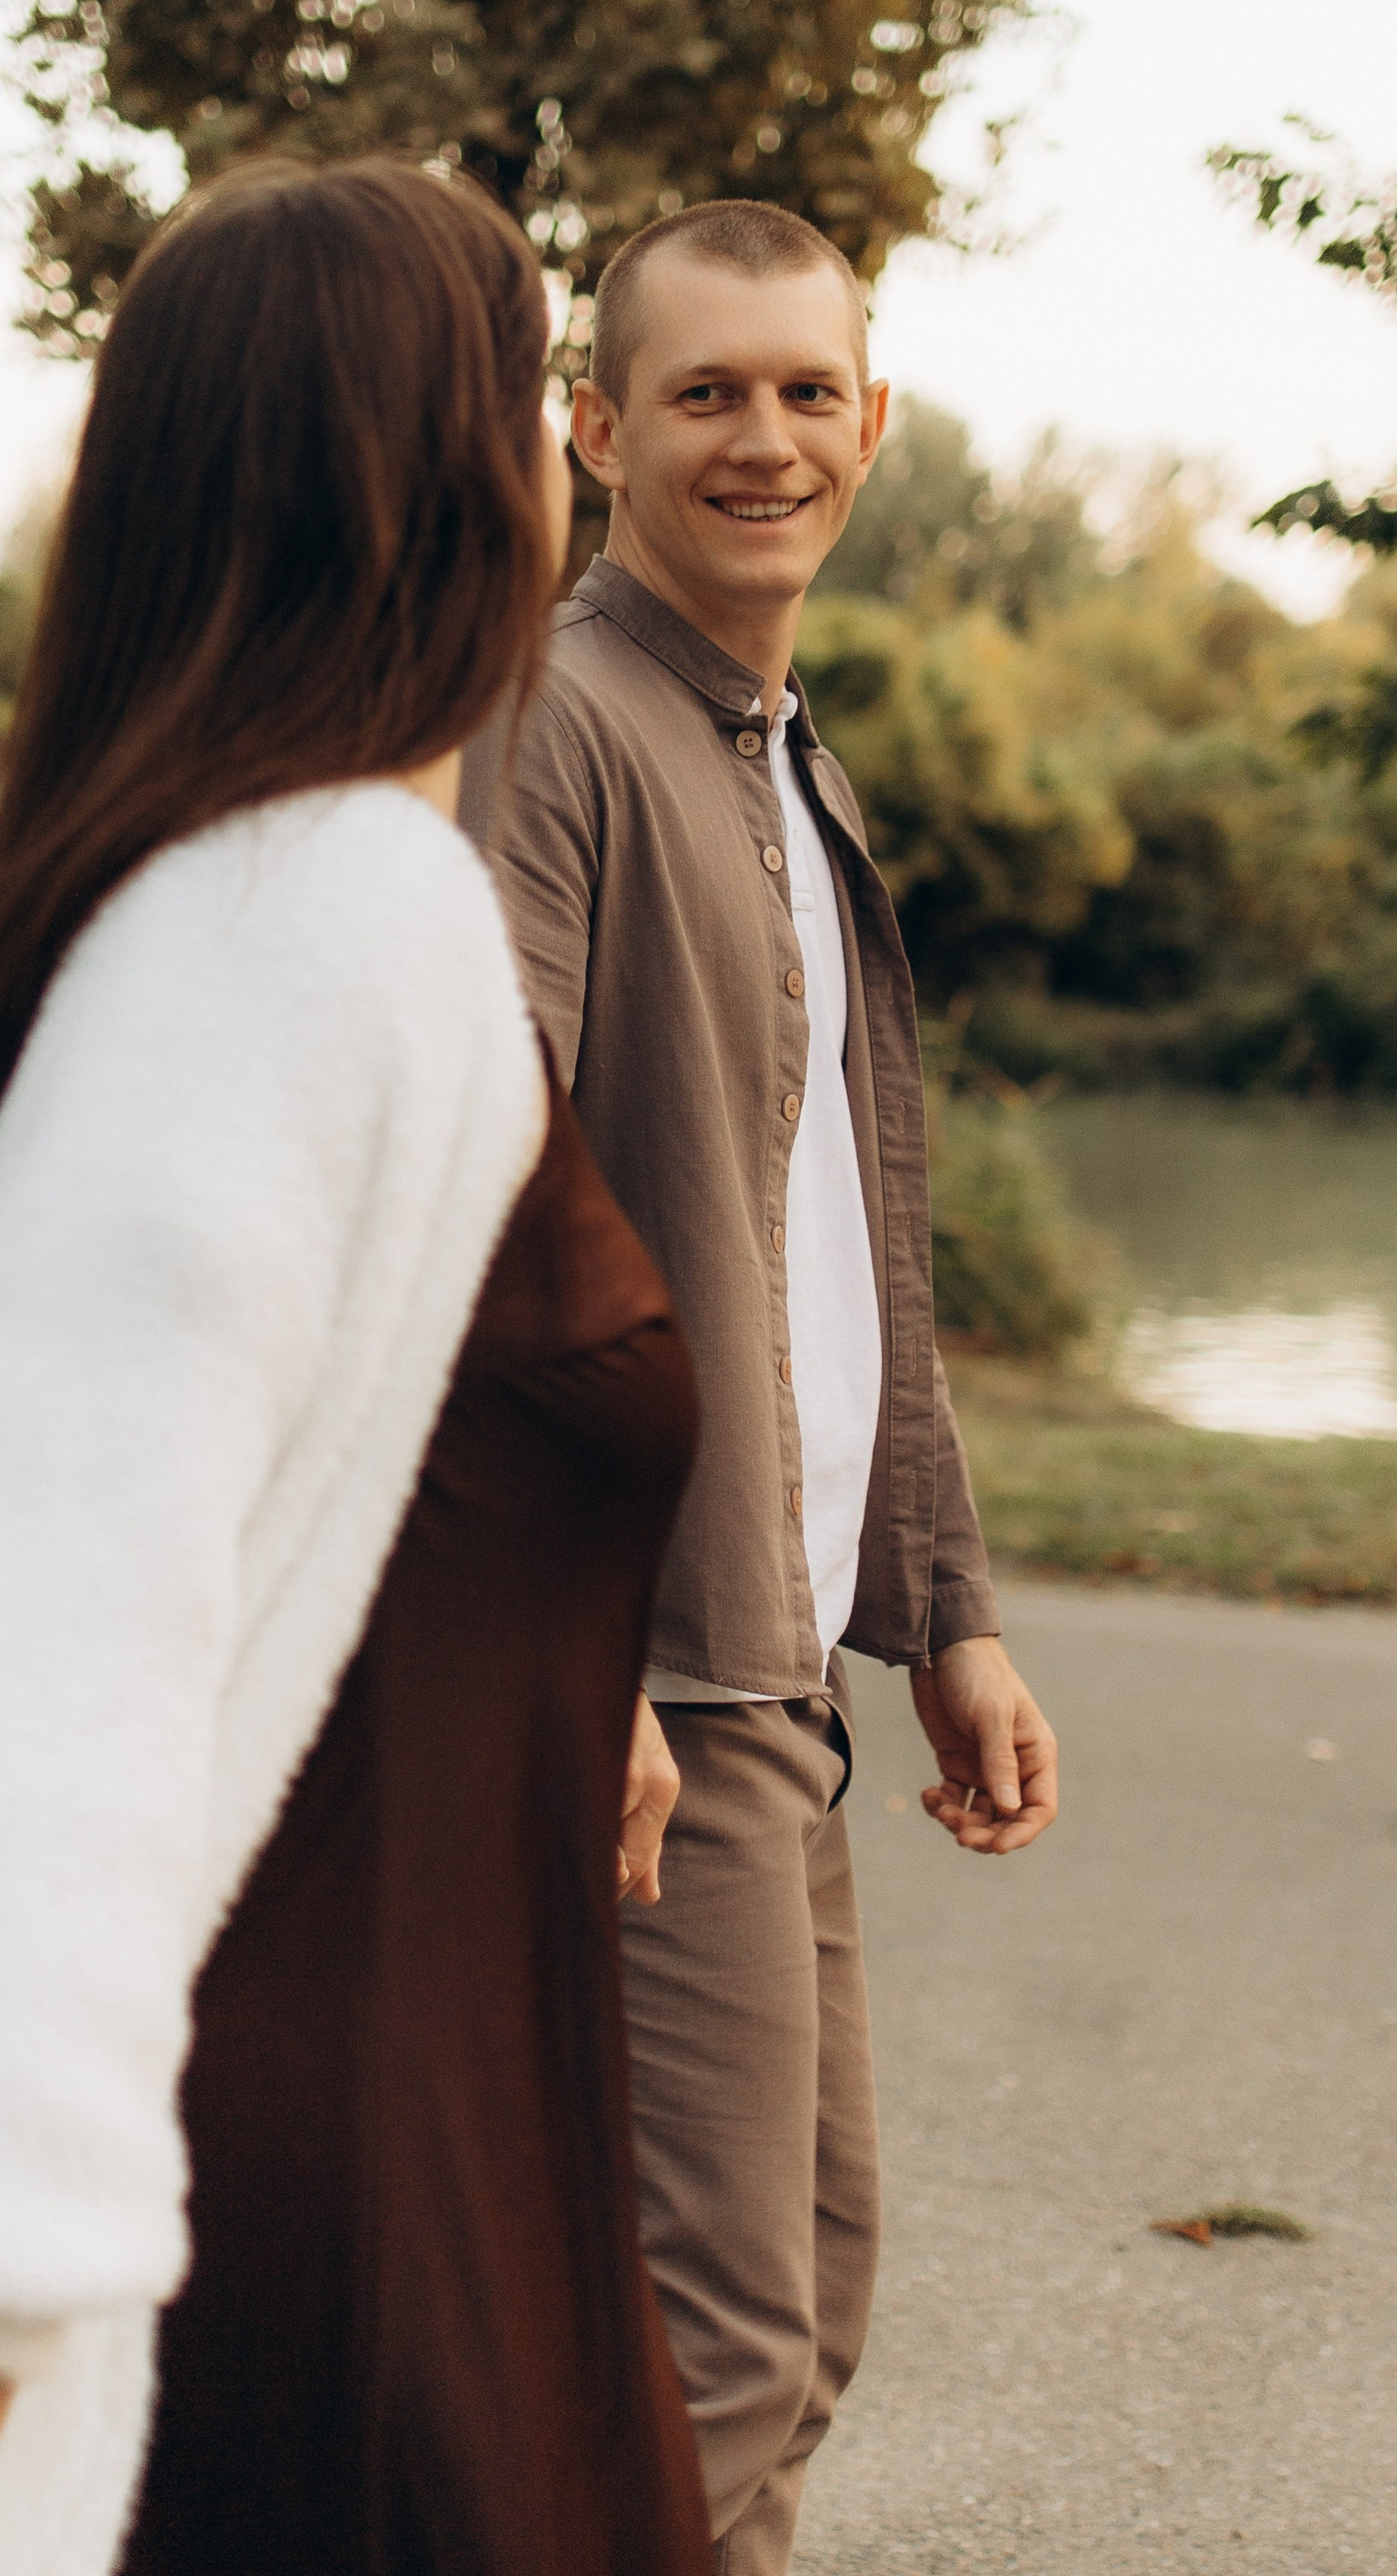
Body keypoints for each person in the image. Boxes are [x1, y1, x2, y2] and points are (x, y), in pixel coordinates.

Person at [0, 158, 713, 2576]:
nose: (565, 470)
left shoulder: (219, 901)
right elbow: (41, 1590)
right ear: (441, 473)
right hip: (305, 2151)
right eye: (527, 404)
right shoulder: (295, 919)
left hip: (429, 2076)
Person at [461, 197, 1061, 2575]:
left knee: (789, 2308)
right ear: (595, 430)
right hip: (647, 1656)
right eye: (705, 392)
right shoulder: (557, 729)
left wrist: (948, 1606)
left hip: (770, 1660)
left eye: (809, 390)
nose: (765, 437)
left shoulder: (787, 770)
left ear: (876, 425)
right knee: (712, 2349)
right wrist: (565, 1640)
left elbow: (841, 1255)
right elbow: (479, 1188)